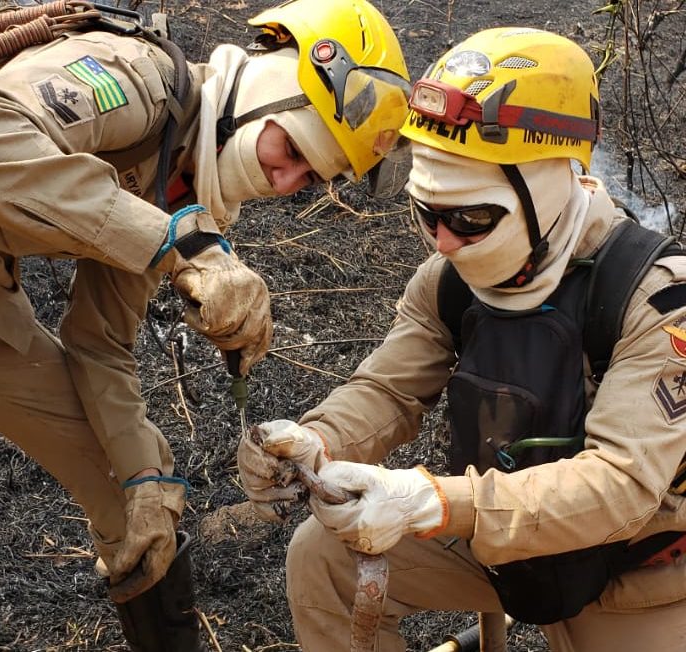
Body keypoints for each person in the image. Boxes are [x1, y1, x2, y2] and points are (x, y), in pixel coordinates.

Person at [0, 0, 412, 649]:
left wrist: (145, 476)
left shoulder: (180, 197)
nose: (284, 180)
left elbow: (100, 343)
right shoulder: (136, 76)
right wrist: (178, 245)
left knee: (136, 494)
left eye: (308, 179)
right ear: (265, 89)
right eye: (289, 148)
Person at [238, 26, 686, 651]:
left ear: (549, 185)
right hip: (492, 537)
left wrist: (437, 502)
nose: (443, 242)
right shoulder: (449, 282)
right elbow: (390, 387)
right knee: (324, 557)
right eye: (427, 214)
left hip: (633, 569)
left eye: (470, 218)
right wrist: (319, 439)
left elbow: (621, 486)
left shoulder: (657, 299)